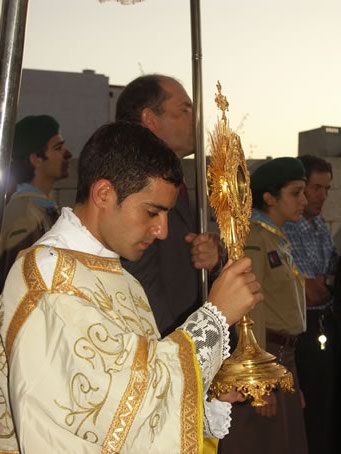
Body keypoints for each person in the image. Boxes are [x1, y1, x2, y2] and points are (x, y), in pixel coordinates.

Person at [0, 122, 263, 453]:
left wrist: (206, 393)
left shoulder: (123, 278)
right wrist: (214, 318)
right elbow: (112, 408)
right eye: (152, 212)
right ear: (104, 194)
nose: (162, 231)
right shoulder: (51, 275)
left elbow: (142, 396)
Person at [115, 75, 224, 336]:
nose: (195, 119)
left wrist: (215, 259)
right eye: (184, 110)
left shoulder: (178, 182)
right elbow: (141, 282)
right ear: (150, 120)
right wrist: (184, 351)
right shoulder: (132, 183)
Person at [218, 157, 308, 454]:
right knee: (261, 444)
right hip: (266, 357)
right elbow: (250, 307)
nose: (304, 200)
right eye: (295, 193)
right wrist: (261, 383)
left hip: (285, 358)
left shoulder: (277, 239)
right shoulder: (254, 237)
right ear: (269, 197)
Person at [283, 155, 339, 454]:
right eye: (316, 188)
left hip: (324, 329)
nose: (322, 196)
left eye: (327, 189)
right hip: (300, 335)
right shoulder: (287, 229)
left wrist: (325, 283)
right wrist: (326, 283)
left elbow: (325, 283)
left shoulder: (319, 225)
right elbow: (311, 293)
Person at [0, 114, 71, 291]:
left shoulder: (40, 207)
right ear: (36, 159)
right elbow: (15, 286)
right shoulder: (23, 213)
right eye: (58, 148)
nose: (67, 154)